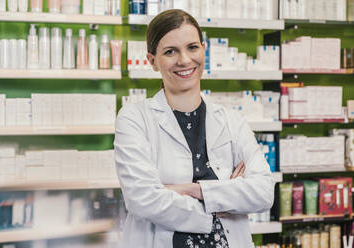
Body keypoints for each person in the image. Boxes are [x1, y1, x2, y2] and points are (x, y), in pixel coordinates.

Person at [114, 9, 275, 248]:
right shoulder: (134, 118)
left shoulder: (232, 120)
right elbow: (142, 199)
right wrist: (225, 197)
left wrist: (193, 190)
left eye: (192, 47)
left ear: (203, 49)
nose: (184, 60)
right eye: (170, 51)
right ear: (152, 61)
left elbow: (263, 192)